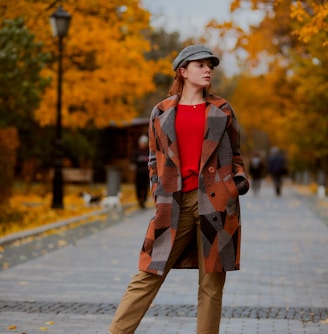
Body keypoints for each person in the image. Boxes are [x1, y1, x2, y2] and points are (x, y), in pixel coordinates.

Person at [107, 44, 249, 334]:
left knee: (211, 284)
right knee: (148, 271)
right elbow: (152, 158)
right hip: (174, 203)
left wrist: (236, 183)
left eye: (210, 65)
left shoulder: (222, 109)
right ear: (183, 71)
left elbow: (235, 154)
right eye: (200, 65)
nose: (208, 69)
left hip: (217, 203)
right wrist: (158, 190)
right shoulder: (161, 112)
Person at [131, 135, 149, 208]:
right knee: (138, 187)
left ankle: (144, 200)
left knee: (145, 187)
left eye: (144, 143)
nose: (142, 144)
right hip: (138, 173)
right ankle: (139, 200)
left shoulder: (148, 152)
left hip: (146, 172)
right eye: (141, 143)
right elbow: (133, 161)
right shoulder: (136, 152)